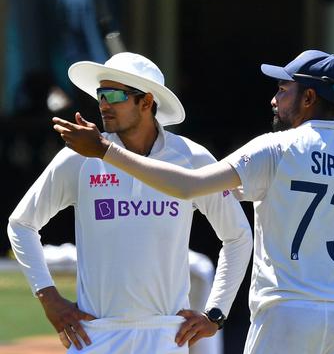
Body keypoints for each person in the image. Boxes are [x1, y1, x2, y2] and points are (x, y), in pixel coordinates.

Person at [52, 49, 334, 354]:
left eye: (283, 90)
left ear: (309, 98)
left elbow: (188, 186)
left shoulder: (275, 149)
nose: (274, 99)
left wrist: (105, 150)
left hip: (283, 317)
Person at [7, 52, 253, 354]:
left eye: (113, 95)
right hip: (94, 336)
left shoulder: (193, 158)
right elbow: (20, 224)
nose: (103, 104)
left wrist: (215, 313)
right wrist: (49, 299)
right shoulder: (80, 156)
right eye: (100, 95)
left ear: (146, 102)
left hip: (166, 337)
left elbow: (238, 236)